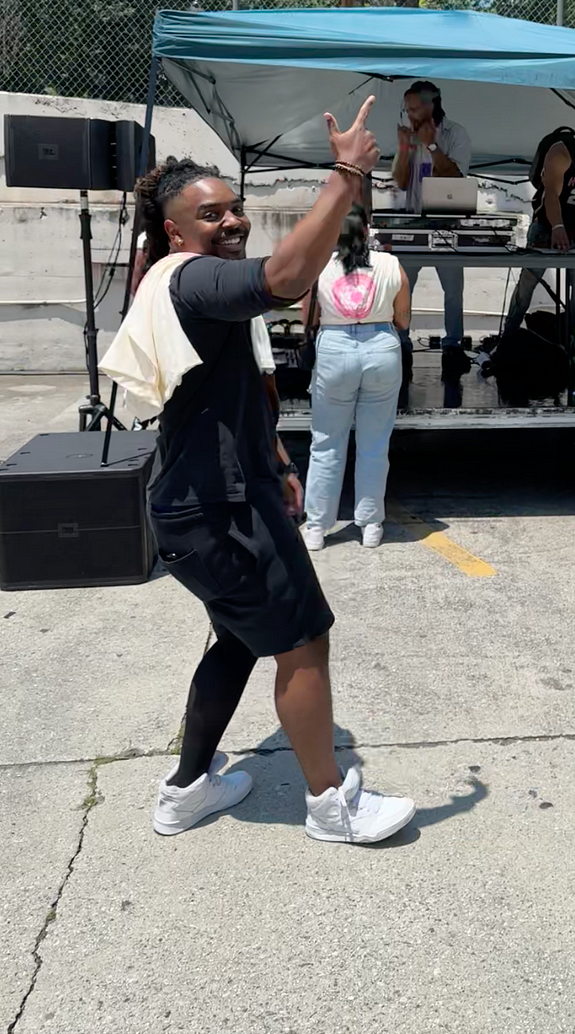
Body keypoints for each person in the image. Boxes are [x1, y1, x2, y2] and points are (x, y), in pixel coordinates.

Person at [120, 99, 416, 845]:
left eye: (235, 209)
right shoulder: (192, 280)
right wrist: (346, 175)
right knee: (303, 639)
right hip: (218, 512)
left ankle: (187, 789)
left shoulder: (186, 282)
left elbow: (237, 394)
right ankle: (330, 806)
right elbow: (286, 277)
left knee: (238, 638)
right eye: (211, 214)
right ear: (175, 230)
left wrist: (278, 460)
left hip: (204, 500)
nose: (232, 221)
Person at [301, 204, 411, 551]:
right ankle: (370, 525)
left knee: (326, 443)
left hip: (334, 348)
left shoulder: (321, 267)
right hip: (381, 347)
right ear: (368, 230)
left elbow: (309, 318)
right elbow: (404, 320)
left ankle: (317, 527)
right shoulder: (391, 265)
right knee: (374, 444)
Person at [503, 112, 575, 344]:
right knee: (527, 285)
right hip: (547, 226)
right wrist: (557, 226)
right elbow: (552, 195)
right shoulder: (562, 152)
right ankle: (507, 340)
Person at [391, 81, 472, 379]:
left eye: (414, 108)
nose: (409, 114)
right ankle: (401, 344)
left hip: (447, 223)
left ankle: (452, 346)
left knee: (453, 290)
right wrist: (404, 148)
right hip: (413, 222)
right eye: (406, 109)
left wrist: (432, 146)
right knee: (402, 287)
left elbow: (456, 177)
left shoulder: (455, 134)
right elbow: (400, 181)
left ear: (431, 105)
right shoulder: (409, 135)